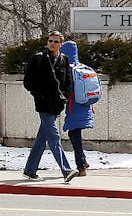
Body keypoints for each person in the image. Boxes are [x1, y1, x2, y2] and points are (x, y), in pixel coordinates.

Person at [22, 30, 79, 183]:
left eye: (55, 41)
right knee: (54, 136)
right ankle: (66, 170)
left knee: (42, 138)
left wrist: (64, 99)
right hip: (43, 104)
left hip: (56, 105)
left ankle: (30, 170)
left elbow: (68, 83)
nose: (52, 44)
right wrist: (39, 95)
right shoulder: (38, 59)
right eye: (50, 41)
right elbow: (28, 81)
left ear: (60, 44)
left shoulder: (64, 60)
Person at [60, 40, 94, 176]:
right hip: (85, 106)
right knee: (75, 134)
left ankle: (81, 166)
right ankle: (83, 161)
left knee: (75, 134)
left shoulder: (67, 70)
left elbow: (65, 91)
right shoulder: (83, 68)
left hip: (74, 107)